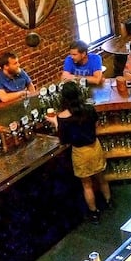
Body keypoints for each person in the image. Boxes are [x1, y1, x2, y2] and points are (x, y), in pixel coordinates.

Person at [45, 81, 112, 223]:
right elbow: (96, 124)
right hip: (95, 147)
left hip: (80, 152)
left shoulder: (62, 117)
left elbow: (64, 139)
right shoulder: (89, 109)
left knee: (87, 185)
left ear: (63, 97)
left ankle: (94, 213)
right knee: (101, 178)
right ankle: (108, 201)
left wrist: (55, 123)